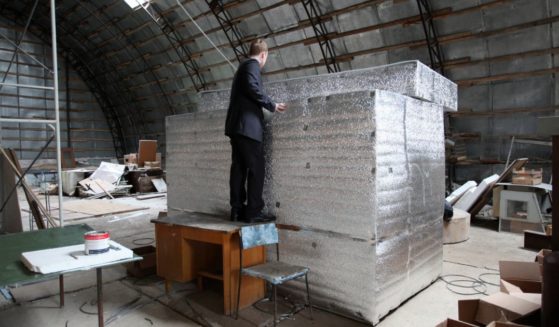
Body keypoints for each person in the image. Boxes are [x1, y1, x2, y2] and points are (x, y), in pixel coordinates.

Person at [224, 39, 287, 223]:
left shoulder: (241, 68)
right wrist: (272, 105)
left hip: (236, 127)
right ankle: (253, 212)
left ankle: (236, 211)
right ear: (263, 55)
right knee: (257, 168)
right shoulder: (252, 66)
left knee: (239, 169)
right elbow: (253, 88)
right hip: (248, 128)